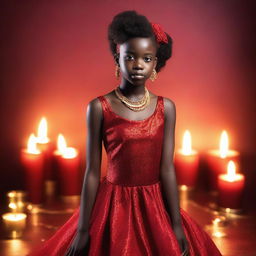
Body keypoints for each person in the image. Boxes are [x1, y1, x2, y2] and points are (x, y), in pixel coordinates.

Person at [28, 10, 222, 256]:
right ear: (117, 58)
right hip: (113, 205)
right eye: (130, 57)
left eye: (147, 58)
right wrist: (82, 229)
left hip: (155, 206)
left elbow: (167, 169)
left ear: (155, 64)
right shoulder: (99, 107)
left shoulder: (167, 108)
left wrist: (175, 224)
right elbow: (91, 171)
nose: (138, 65)